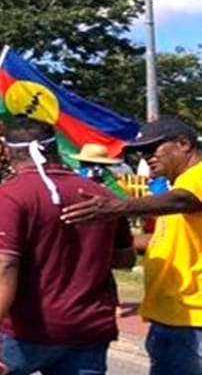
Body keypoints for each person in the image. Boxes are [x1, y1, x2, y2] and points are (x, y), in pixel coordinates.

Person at [0, 116, 136, 375]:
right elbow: (125, 258)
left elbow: (2, 263)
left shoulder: (10, 194)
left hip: (26, 328)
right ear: (55, 148)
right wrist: (80, 250)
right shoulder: (102, 195)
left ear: (9, 151)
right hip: (87, 327)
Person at [61, 117, 202, 375]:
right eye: (141, 152)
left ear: (183, 144)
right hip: (172, 315)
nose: (146, 157)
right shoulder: (180, 184)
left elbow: (184, 201)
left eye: (153, 149)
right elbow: (164, 240)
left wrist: (119, 208)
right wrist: (94, 248)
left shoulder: (196, 177)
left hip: (191, 317)